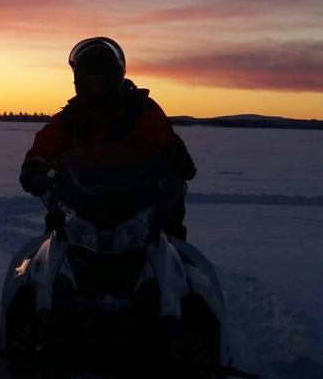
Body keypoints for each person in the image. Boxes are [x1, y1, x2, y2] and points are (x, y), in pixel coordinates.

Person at [19, 37, 196, 238]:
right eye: (89, 80)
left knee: (171, 248)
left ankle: (178, 257)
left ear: (115, 77)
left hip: (137, 210)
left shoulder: (139, 110)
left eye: (100, 80)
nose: (95, 87)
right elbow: (47, 142)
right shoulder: (69, 117)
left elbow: (159, 134)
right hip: (79, 212)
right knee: (49, 250)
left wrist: (173, 150)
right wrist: (33, 165)